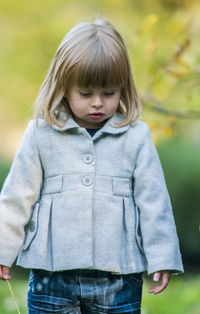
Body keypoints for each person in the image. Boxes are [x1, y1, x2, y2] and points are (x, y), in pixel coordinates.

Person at [0, 18, 183, 313]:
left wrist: (163, 257)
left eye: (109, 93)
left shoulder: (137, 138)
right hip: (51, 278)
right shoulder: (40, 134)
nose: (97, 103)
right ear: (63, 87)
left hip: (120, 280)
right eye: (85, 94)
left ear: (123, 89)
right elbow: (17, 197)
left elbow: (153, 202)